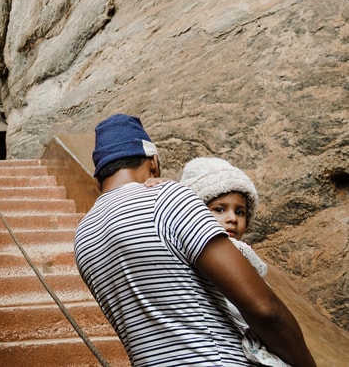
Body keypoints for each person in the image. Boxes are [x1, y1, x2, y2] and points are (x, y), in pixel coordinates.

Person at [73, 114, 315, 366]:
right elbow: (264, 309)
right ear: (154, 162)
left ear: (98, 178)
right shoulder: (165, 198)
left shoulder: (83, 236)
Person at [179, 157, 289, 366]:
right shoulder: (232, 251)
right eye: (219, 209)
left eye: (240, 212)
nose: (232, 218)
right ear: (195, 214)